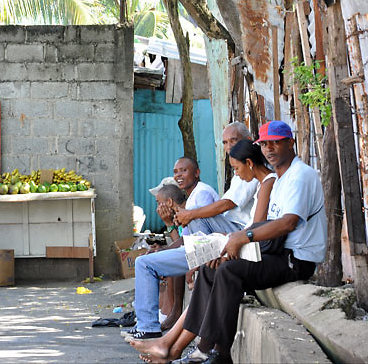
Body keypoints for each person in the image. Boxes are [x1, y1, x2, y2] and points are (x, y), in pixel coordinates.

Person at [137, 121, 327, 364]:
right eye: (265, 144)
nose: (269, 149)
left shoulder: (300, 176)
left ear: (290, 143)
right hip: (276, 251)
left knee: (228, 271)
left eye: (275, 143)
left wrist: (242, 238)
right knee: (211, 268)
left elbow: (288, 223)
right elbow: (265, 227)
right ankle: (197, 350)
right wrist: (229, 246)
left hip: (296, 259)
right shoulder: (280, 179)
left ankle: (220, 354)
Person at [130, 139, 276, 362]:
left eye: (236, 168)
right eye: (175, 172)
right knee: (207, 271)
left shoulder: (263, 183)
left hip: (250, 247)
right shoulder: (259, 183)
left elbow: (255, 229)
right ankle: (173, 345)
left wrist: (221, 249)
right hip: (234, 241)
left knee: (210, 270)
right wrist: (175, 225)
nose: (235, 174)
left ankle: (185, 346)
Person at [126, 157, 242, 341]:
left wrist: (192, 258)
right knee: (146, 262)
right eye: (176, 172)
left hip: (214, 246)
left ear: (197, 173)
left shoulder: (201, 194)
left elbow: (190, 238)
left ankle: (149, 326)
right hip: (205, 245)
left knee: (144, 263)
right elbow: (186, 238)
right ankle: (149, 324)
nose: (178, 175)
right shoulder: (194, 196)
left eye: (184, 171)